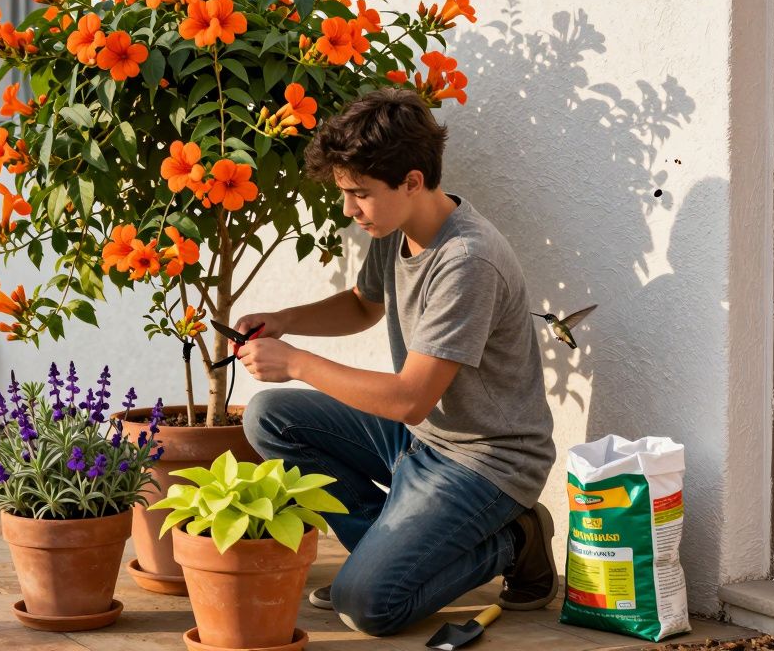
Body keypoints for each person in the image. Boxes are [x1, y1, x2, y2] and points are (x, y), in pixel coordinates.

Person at [234, 87, 558, 637]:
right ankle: (388, 547)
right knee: (267, 416)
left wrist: (295, 361)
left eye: (359, 194)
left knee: (368, 606)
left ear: (411, 180)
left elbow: (411, 398)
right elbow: (363, 305)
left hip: (486, 461)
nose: (348, 209)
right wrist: (285, 319)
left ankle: (513, 539)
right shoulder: (397, 226)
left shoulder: (467, 261)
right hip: (425, 439)